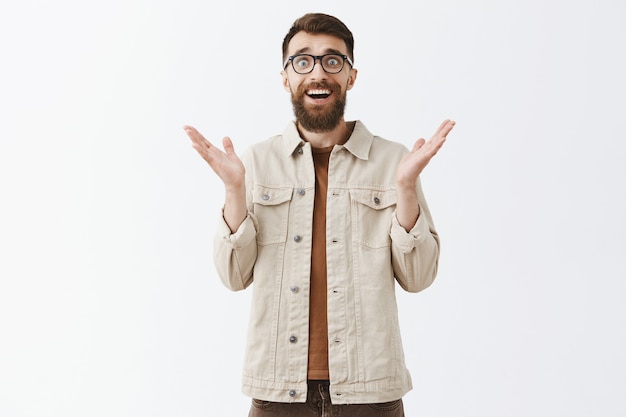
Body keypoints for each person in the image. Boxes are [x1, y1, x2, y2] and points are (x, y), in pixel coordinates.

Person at [184, 12, 455, 417]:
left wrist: (404, 189)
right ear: (286, 77)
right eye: (302, 60)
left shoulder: (394, 161)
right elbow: (233, 277)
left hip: (371, 392)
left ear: (351, 76)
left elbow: (418, 278)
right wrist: (235, 190)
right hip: (278, 390)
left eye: (333, 60)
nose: (318, 72)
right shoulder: (254, 162)